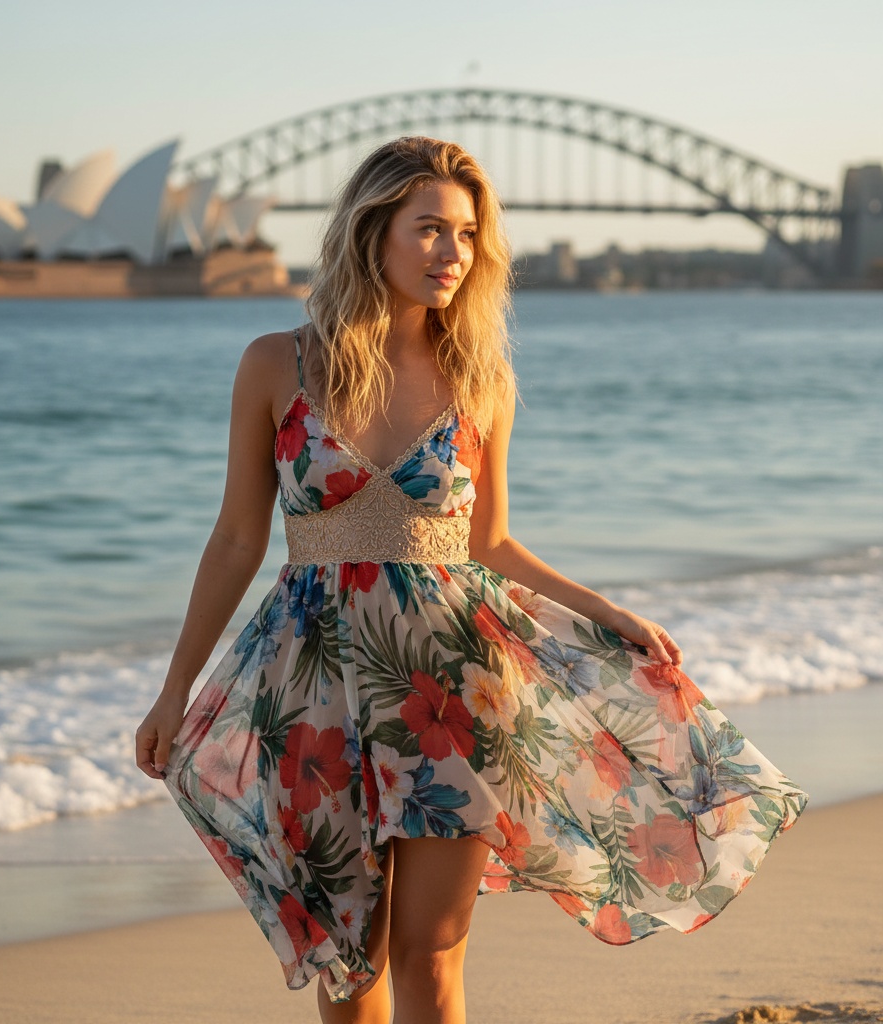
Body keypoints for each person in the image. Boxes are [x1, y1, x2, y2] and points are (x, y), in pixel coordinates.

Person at [136, 136, 806, 1024]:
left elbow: (487, 540)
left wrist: (605, 611)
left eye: (465, 235)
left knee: (431, 952)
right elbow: (233, 540)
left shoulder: (478, 378)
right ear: (372, 232)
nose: (452, 254)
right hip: (314, 686)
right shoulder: (275, 364)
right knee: (349, 963)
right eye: (429, 230)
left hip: (454, 689)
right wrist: (173, 691)